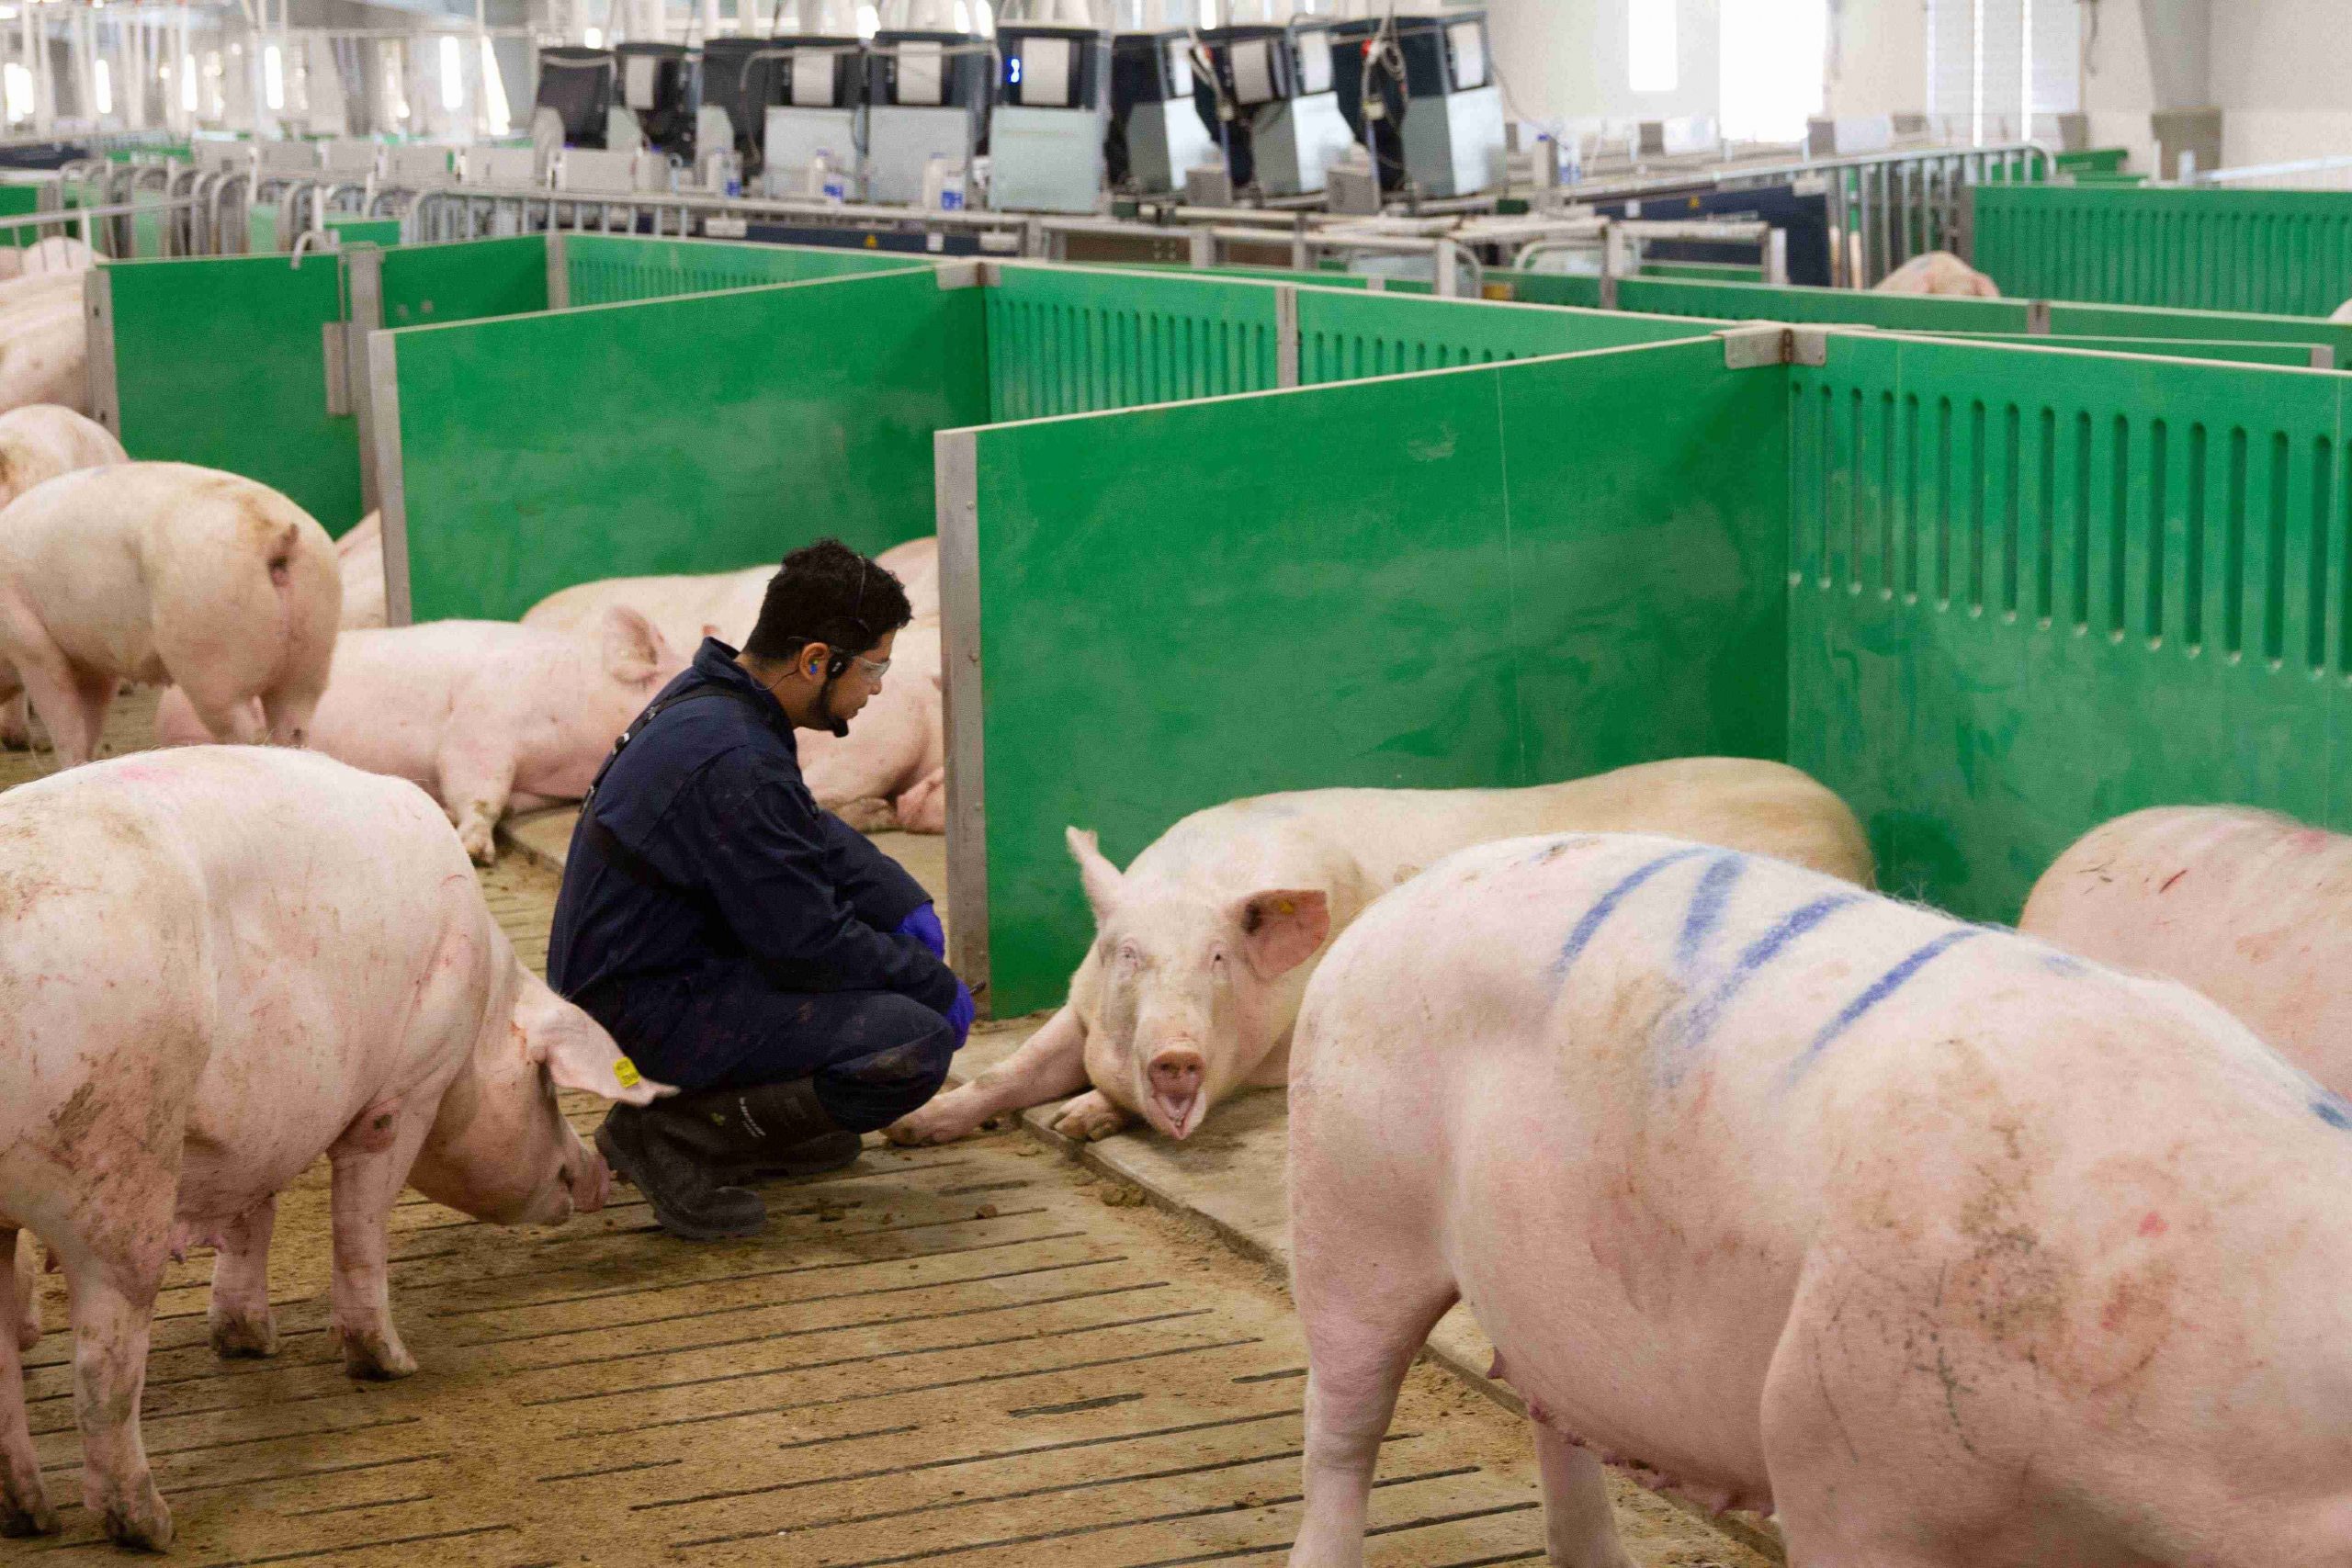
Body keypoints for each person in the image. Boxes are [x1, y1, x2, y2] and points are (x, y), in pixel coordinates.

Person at [548, 538, 974, 1240]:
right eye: (873, 668)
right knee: (910, 1041)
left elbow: (803, 827)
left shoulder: (718, 699)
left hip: (647, 972)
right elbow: (809, 946)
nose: (876, 689)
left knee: (884, 991)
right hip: (640, 1008)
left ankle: (762, 1125)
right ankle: (672, 1135)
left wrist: (901, 899)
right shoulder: (736, 756)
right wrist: (928, 981)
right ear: (815, 661)